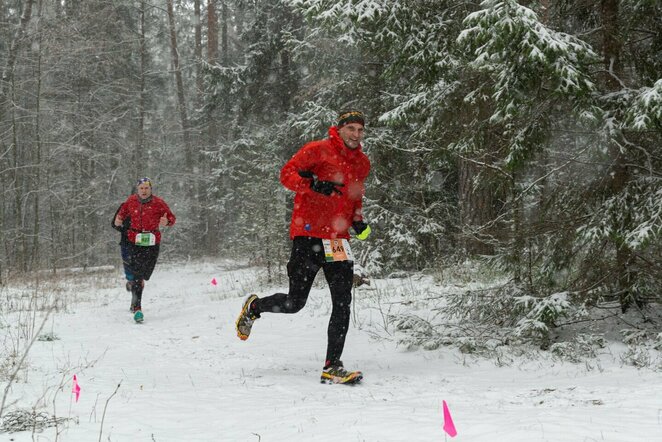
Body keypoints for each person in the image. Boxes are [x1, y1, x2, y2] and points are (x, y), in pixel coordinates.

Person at [235, 110, 372, 384]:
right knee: (295, 302)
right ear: (340, 128)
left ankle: (332, 366)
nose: (356, 135)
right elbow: (285, 174)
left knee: (342, 302)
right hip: (307, 236)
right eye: (351, 129)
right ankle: (255, 307)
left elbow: (354, 196)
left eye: (360, 130)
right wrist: (313, 184)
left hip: (338, 241)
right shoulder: (317, 150)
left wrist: (357, 221)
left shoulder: (362, 163)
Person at [114, 177, 176, 322]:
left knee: (145, 274)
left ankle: (136, 286)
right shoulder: (130, 201)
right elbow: (120, 215)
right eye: (141, 188)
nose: (144, 190)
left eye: (146, 188)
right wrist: (118, 220)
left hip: (152, 242)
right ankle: (137, 309)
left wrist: (167, 221)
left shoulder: (158, 203)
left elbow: (172, 218)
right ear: (137, 189)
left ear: (150, 189)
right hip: (134, 241)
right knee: (137, 275)